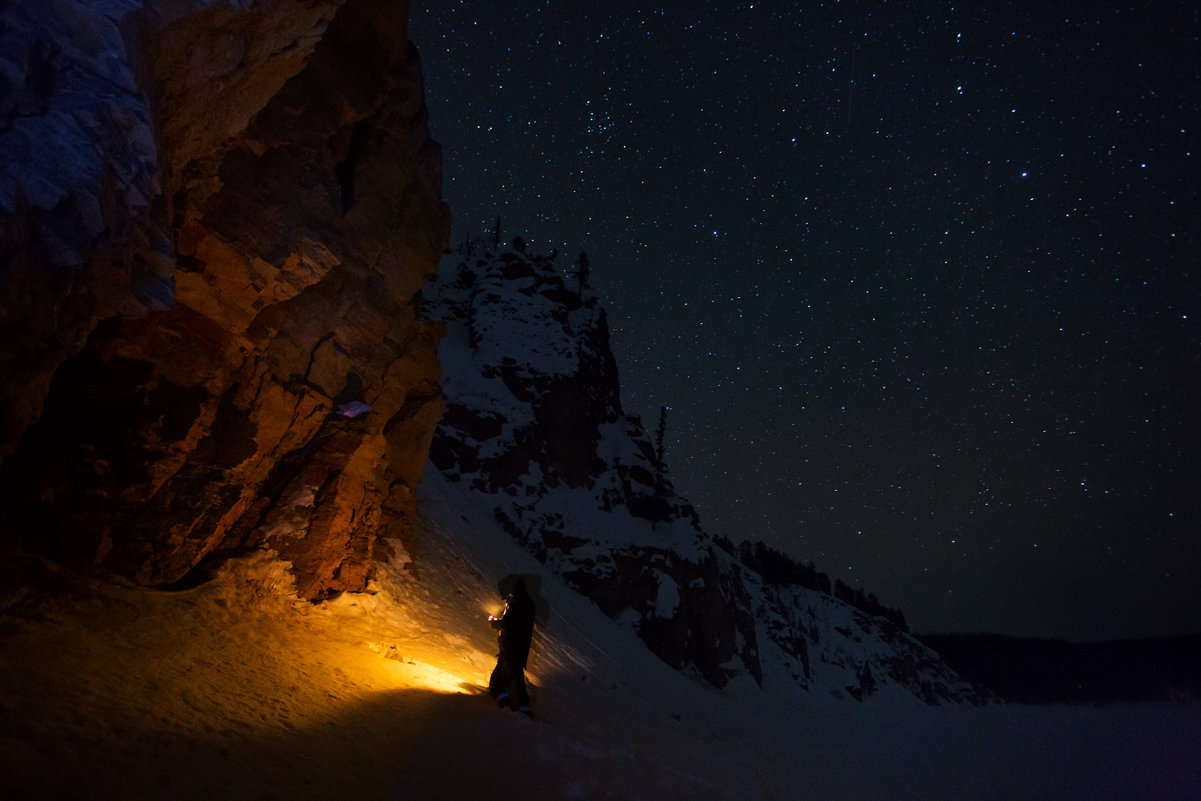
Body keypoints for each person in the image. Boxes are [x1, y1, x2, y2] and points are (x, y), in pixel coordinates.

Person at [488, 576, 536, 715]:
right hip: (514, 649)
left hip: (511, 649)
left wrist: (495, 624)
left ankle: (514, 706)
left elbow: (510, 624)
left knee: (503, 681)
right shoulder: (523, 603)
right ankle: (518, 706)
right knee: (513, 678)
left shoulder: (519, 604)